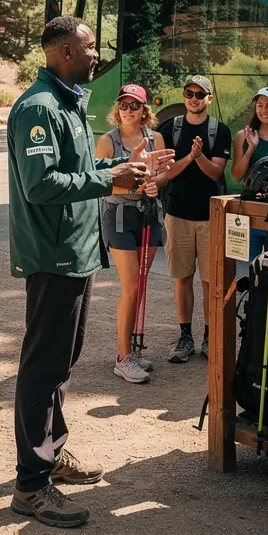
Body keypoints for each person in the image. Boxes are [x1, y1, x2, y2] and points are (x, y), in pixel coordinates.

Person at [8, 17, 172, 529]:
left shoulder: (71, 101)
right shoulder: (39, 108)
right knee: (42, 367)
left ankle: (51, 453)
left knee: (62, 362)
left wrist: (128, 177)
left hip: (77, 252)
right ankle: (31, 485)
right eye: (87, 47)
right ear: (61, 52)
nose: (95, 54)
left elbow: (85, 174)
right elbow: (42, 184)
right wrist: (109, 176)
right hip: (53, 255)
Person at [157, 75, 231, 363]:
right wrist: (190, 157)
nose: (194, 99)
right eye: (189, 93)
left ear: (209, 99)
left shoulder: (219, 131)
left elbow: (217, 173)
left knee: (210, 282)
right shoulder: (170, 128)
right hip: (177, 215)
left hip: (210, 217)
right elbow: (165, 175)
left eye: (200, 95)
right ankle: (185, 335)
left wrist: (198, 157)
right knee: (183, 278)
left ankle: (209, 337)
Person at [95, 84, 165, 384]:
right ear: (117, 109)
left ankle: (133, 352)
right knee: (131, 286)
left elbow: (163, 173)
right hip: (119, 215)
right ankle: (123, 358)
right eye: (123, 105)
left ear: (144, 110)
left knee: (142, 284)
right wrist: (137, 186)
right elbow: (100, 182)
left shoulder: (155, 138)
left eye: (134, 105)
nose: (128, 110)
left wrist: (155, 183)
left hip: (148, 213)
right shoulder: (107, 141)